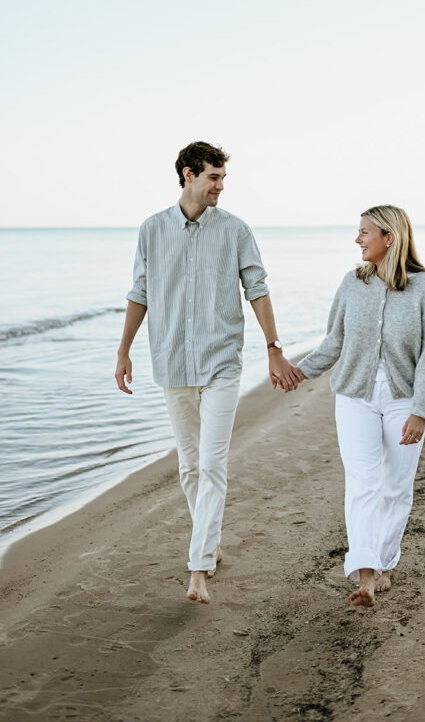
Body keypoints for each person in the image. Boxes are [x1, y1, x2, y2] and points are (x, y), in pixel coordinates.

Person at [115, 141, 301, 605]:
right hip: (172, 361)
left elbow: (256, 288)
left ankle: (199, 568)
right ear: (187, 175)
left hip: (222, 363)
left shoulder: (235, 230)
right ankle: (210, 538)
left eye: (222, 178)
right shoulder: (152, 230)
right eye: (213, 177)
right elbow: (140, 293)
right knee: (189, 466)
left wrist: (274, 348)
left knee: (213, 464)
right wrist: (123, 351)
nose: (220, 186)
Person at [297, 205, 425, 607]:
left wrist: (422, 410)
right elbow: (335, 340)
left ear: (390, 238)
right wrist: (300, 372)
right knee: (363, 482)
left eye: (365, 232)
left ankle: (383, 564)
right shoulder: (352, 283)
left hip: (405, 400)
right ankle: (365, 574)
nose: (358, 239)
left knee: (396, 487)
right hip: (355, 397)